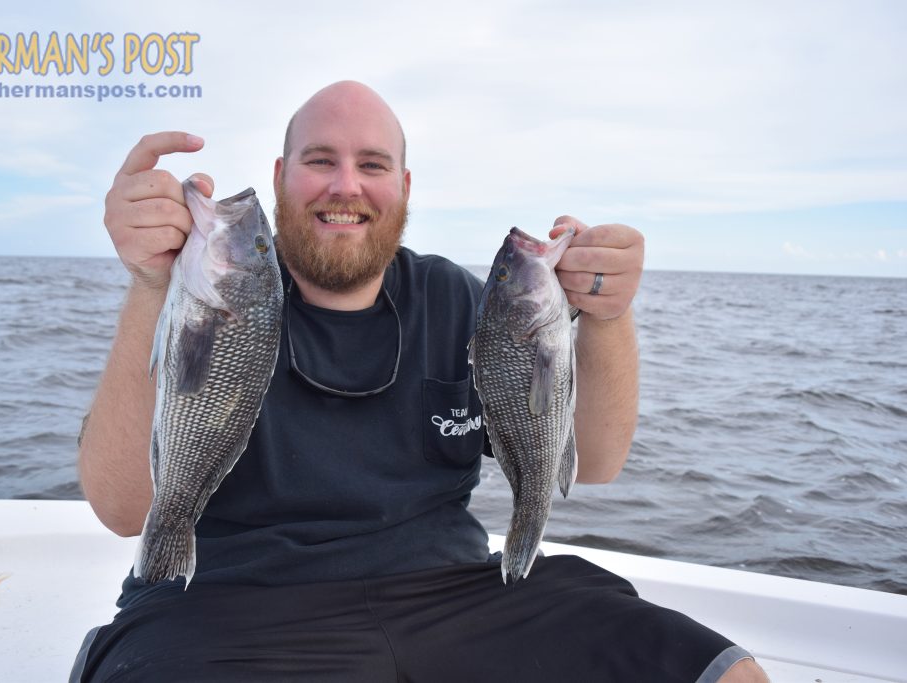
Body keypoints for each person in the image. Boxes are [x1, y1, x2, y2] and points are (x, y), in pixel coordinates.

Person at [72, 81, 768, 682]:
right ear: (282, 175)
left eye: (371, 164)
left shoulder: (462, 298)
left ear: (403, 187)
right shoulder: (207, 294)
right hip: (232, 601)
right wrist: (148, 285)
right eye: (321, 161)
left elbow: (600, 460)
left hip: (459, 593)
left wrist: (608, 320)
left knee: (727, 673)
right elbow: (123, 509)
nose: (346, 185)